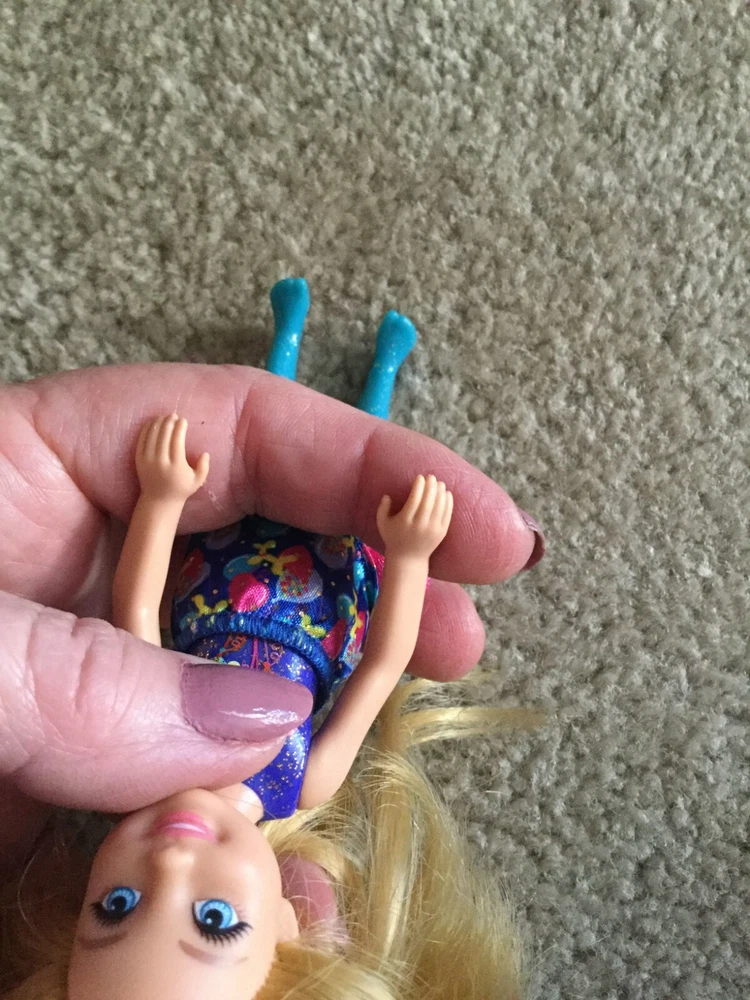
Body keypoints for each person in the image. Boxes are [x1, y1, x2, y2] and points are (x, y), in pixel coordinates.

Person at [0, 279, 544, 997]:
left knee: (272, 442)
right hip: (327, 600)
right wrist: (410, 555)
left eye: (117, 905)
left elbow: (137, 611)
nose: (168, 866)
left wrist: (161, 501)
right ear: (288, 926)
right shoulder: (303, 780)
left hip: (216, 578)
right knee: (363, 469)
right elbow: (382, 667)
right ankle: (383, 372)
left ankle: (284, 338)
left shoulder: (137, 753)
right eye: (214, 919)